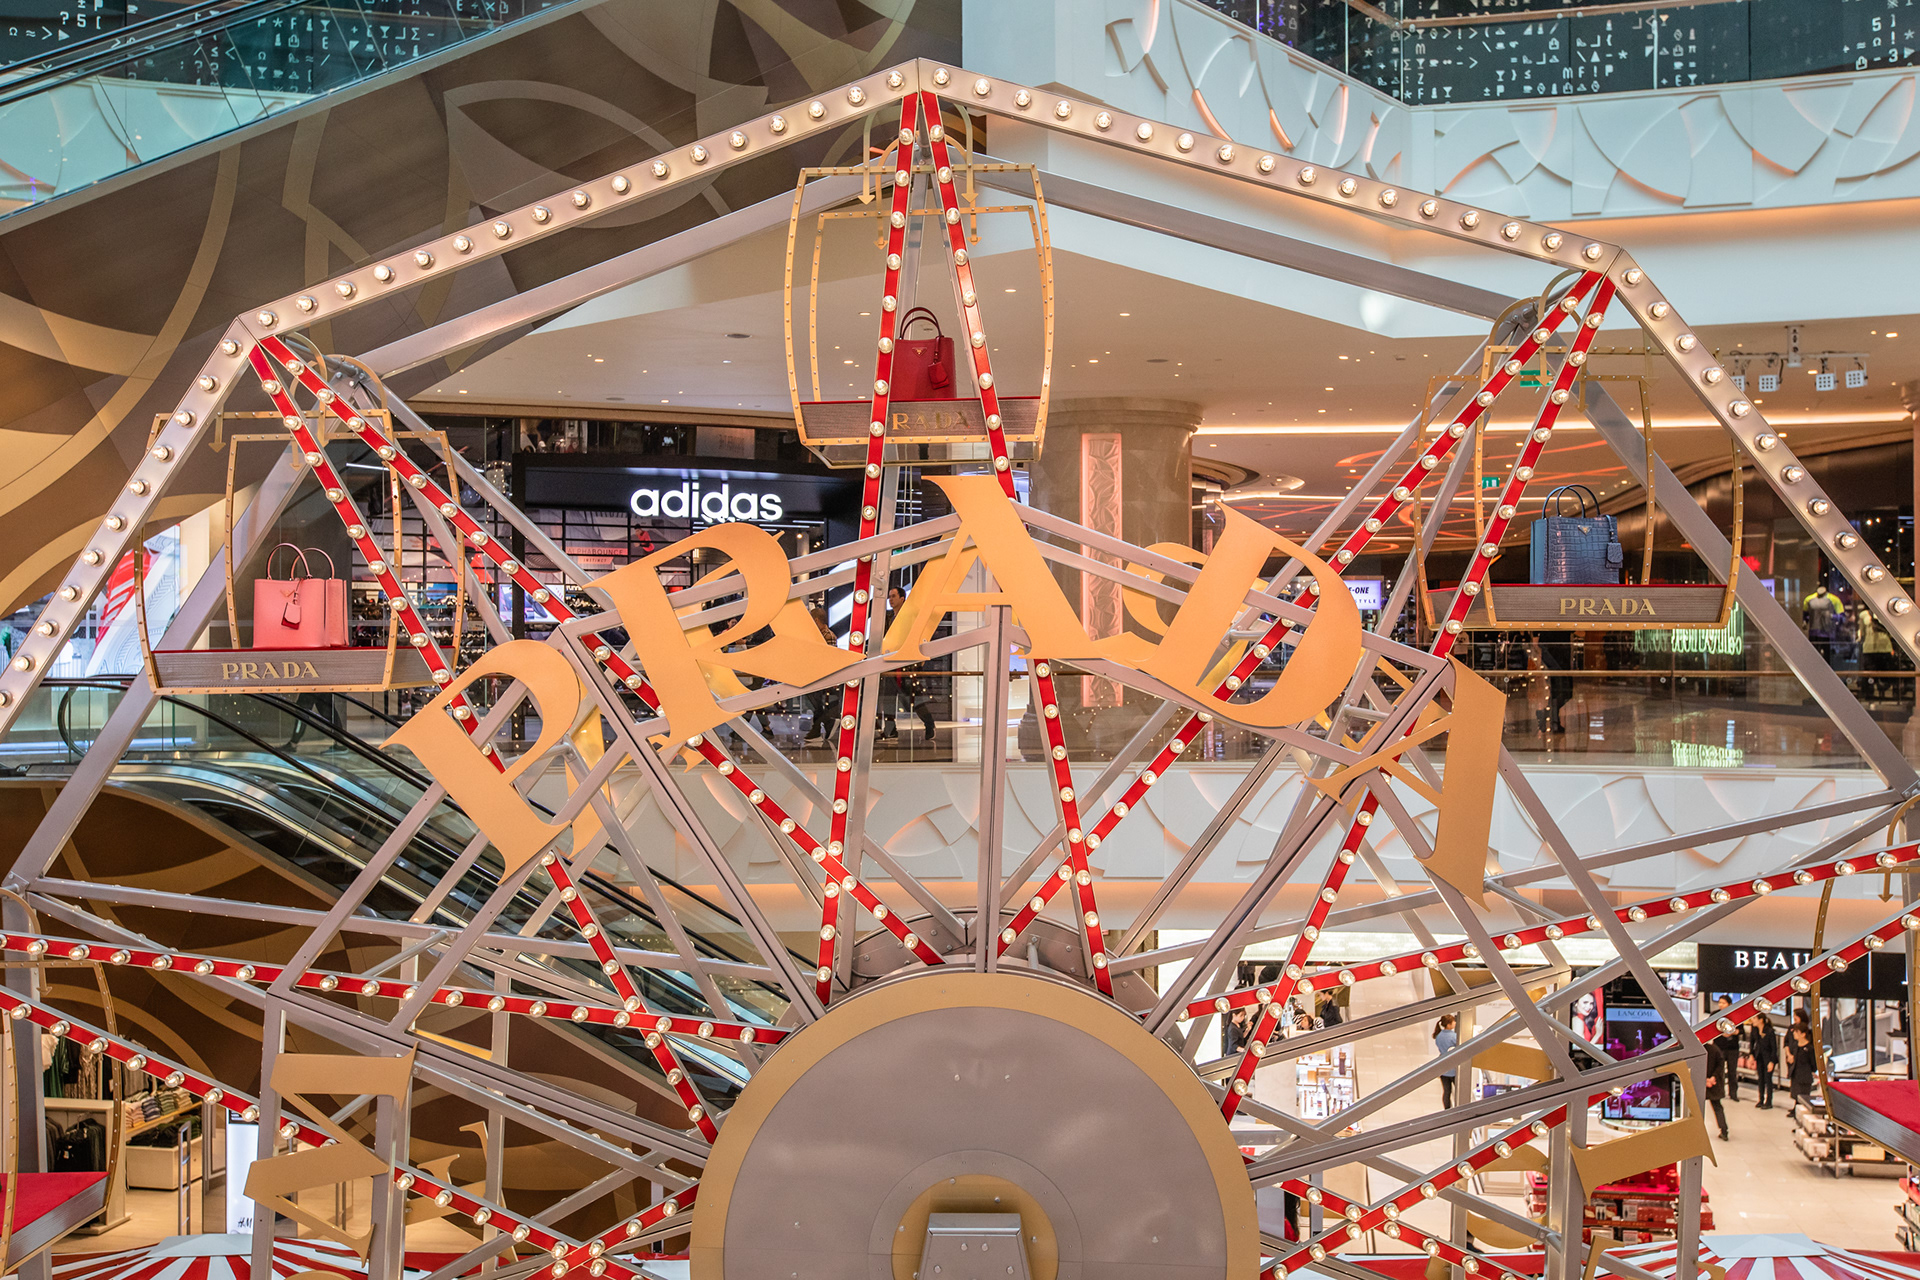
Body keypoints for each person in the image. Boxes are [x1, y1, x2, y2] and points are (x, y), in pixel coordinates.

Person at [1713, 996, 1741, 1102]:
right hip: (1719, 1047)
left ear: (1729, 1004)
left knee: (1732, 1071)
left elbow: (1740, 1030)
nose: (1721, 1005)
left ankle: (1733, 1093)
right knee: (1719, 1071)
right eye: (1720, 1002)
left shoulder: (1736, 1015)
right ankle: (1719, 1092)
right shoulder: (1715, 1015)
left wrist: (1732, 1032)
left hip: (1732, 1048)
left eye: (1723, 1003)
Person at [1748, 1013, 1778, 1110]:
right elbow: (1752, 1042)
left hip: (1768, 1058)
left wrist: (1772, 1061)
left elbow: (1774, 1048)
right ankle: (1761, 1099)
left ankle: (1769, 1101)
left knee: (1768, 1079)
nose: (1752, 1020)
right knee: (1760, 1078)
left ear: (1761, 1020)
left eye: (1754, 1018)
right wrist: (1751, 1054)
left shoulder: (1769, 1031)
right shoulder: (1755, 1030)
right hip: (1759, 1056)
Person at [1703, 1035, 1729, 1140]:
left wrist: (1705, 1079)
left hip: (1702, 1083)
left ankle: (1697, 1131)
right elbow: (1720, 1065)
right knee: (1717, 1107)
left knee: (1698, 1108)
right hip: (1714, 1083)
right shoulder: (1715, 1050)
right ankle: (1724, 1130)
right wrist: (1713, 1078)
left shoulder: (1698, 1052)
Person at [1787, 1026, 1816, 1114]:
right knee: (1795, 1093)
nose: (1794, 1034)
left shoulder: (1809, 1048)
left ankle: (1798, 1110)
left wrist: (1813, 1071)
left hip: (1804, 1076)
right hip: (1796, 1073)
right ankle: (1795, 1108)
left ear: (1803, 1034)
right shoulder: (1795, 1046)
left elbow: (1813, 1063)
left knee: (1802, 1094)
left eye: (1797, 1032)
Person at [1433, 1014, 1459, 1108]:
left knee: (1447, 1091)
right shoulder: (1454, 1036)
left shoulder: (1438, 1036)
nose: (1455, 1023)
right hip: (1454, 1068)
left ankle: (1447, 1109)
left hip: (1443, 1069)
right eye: (1453, 1021)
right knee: (1459, 1090)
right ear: (1449, 1024)